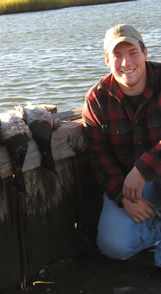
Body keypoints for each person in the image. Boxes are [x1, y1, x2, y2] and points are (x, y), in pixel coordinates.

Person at [82, 24, 161, 276]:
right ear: (107, 60)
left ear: (145, 52)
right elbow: (99, 158)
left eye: (133, 52)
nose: (126, 62)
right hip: (131, 187)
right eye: (117, 55)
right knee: (113, 246)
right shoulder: (96, 100)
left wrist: (143, 167)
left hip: (148, 174)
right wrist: (121, 196)